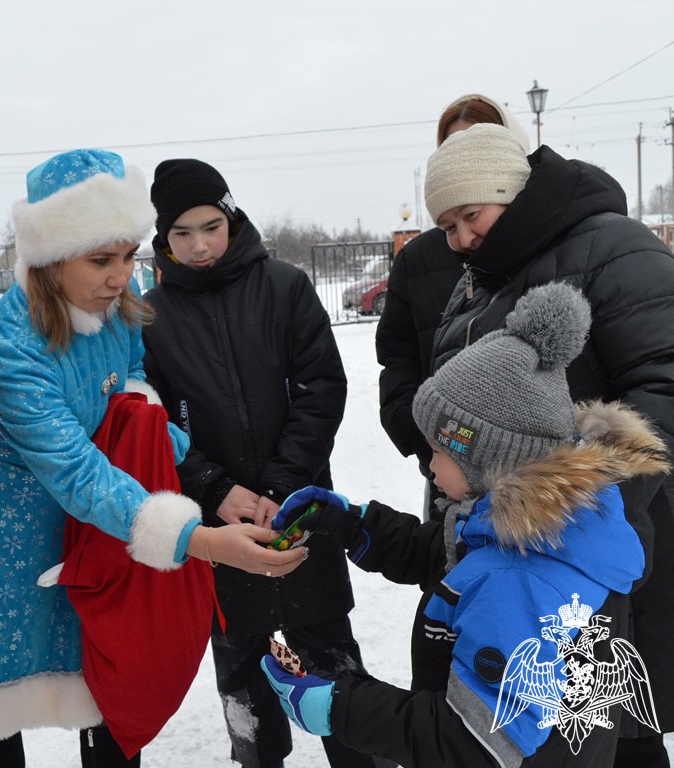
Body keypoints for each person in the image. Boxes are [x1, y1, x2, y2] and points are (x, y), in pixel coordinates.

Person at [0, 148, 307, 768]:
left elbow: (133, 375)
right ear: (51, 256)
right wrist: (206, 541)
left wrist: (147, 427)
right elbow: (74, 469)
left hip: (101, 523)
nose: (122, 276)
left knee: (108, 684)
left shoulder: (118, 298)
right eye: (101, 259)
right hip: (4, 539)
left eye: (129, 255)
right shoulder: (7, 347)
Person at [262, 282, 669, 766]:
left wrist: (339, 706)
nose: (429, 466)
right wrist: (352, 523)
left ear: (487, 459)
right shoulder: (551, 534)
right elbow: (456, 557)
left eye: (438, 450)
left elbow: (468, 742)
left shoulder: (519, 581)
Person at [421, 121, 674, 766]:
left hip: (595, 543)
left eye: (470, 216)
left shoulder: (613, 247)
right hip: (518, 545)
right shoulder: (478, 280)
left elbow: (666, 379)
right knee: (538, 732)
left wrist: (581, 495)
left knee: (607, 727)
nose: (461, 239)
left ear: (508, 189)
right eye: (448, 226)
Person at [141, 159, 376, 768]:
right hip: (221, 523)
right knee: (241, 668)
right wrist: (213, 488)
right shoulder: (150, 316)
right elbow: (153, 419)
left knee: (332, 661)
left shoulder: (286, 286)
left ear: (231, 216)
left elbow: (322, 386)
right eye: (181, 234)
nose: (198, 245)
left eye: (210, 226)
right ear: (162, 239)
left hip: (299, 508)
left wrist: (282, 483)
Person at [376, 93, 530, 508]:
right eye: (452, 149)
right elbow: (398, 358)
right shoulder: (420, 257)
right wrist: (429, 443)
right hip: (450, 472)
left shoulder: (548, 249)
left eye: (482, 144)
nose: (463, 238)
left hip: (536, 480)